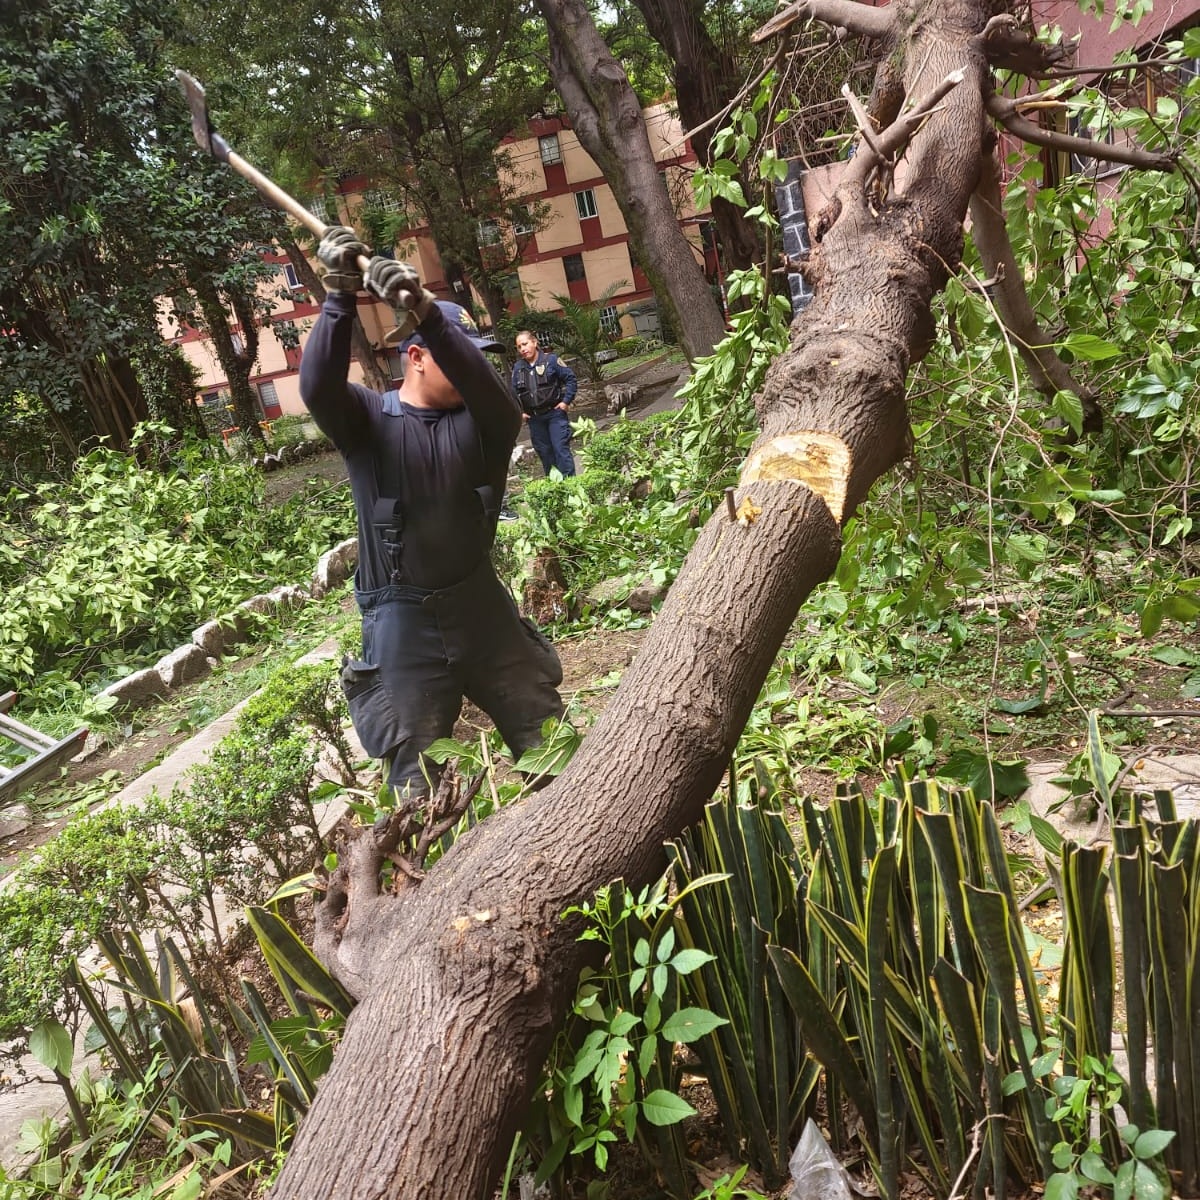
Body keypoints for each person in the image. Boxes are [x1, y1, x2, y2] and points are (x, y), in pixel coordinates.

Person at [300, 227, 564, 799]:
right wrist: (340, 294)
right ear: (416, 357)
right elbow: (318, 386)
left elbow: (491, 390)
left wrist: (427, 310)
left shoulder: (486, 422)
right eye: (452, 354)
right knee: (414, 794)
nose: (474, 369)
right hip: (402, 627)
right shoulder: (368, 422)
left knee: (554, 749)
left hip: (482, 609)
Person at [511, 330, 577, 477]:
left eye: (525, 344)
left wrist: (566, 401)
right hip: (534, 419)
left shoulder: (551, 360)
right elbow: (513, 393)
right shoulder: (518, 368)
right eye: (519, 346)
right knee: (546, 455)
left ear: (534, 342)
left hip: (555, 414)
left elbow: (571, 379)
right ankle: (556, 491)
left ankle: (572, 488)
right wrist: (520, 412)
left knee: (560, 450)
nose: (522, 349)